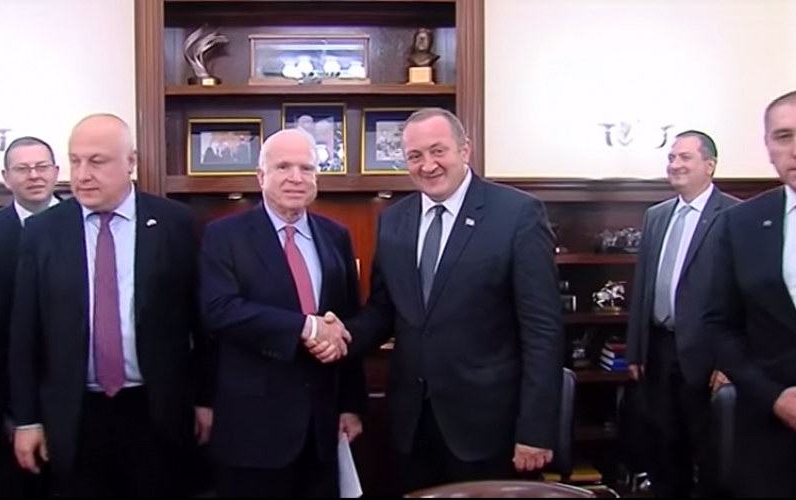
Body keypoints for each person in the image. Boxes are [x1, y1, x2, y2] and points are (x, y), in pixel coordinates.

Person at [311, 108, 565, 494]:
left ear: (465, 149)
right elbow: (382, 311)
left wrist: (535, 430)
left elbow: (542, 330)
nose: (427, 165)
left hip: (489, 427)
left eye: (438, 151)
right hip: (412, 424)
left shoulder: (517, 214)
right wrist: (339, 335)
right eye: (415, 156)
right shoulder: (394, 220)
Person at [9, 113, 213, 497]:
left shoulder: (175, 223)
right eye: (75, 161)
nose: (82, 174)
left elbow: (200, 323)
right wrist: (27, 420)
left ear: (130, 161)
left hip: (155, 410)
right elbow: (24, 333)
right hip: (74, 414)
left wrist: (205, 399)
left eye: (97, 161)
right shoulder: (43, 231)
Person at [200, 128, 367, 498]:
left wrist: (351, 405)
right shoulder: (223, 235)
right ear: (261, 176)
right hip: (254, 431)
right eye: (283, 167)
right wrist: (305, 327)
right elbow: (219, 310)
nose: (296, 177)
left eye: (306, 168)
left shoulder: (336, 235)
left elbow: (345, 323)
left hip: (322, 428)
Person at [624, 130, 738, 497]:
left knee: (709, 453)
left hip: (707, 357)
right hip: (659, 351)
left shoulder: (735, 215)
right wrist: (636, 350)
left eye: (685, 157)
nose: (675, 165)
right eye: (671, 157)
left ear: (710, 165)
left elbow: (743, 296)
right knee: (663, 450)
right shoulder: (656, 216)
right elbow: (643, 286)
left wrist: (729, 363)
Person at [701, 90, 796, 497]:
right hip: (770, 436)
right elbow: (719, 325)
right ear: (768, 146)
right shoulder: (741, 223)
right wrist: (774, 397)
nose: (795, 149)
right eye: (784, 136)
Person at [0, 137, 60, 497]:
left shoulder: (88, 226)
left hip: (79, 392)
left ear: (56, 171)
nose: (34, 175)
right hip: (5, 398)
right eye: (22, 169)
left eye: (41, 167)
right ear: (7, 178)